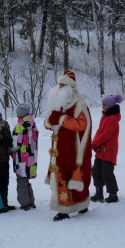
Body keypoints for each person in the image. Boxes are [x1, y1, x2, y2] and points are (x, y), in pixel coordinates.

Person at [44, 70, 92, 221]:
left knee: (68, 175)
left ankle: (66, 209)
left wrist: (62, 119)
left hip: (72, 149)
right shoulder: (57, 103)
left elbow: (82, 125)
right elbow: (49, 123)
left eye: (63, 85)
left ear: (70, 87)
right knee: (60, 174)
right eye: (59, 84)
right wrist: (50, 121)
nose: (60, 87)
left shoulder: (79, 103)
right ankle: (75, 206)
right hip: (58, 148)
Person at [91, 94, 123, 203]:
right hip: (101, 150)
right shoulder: (104, 117)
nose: (103, 107)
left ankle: (113, 194)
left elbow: (106, 134)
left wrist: (96, 142)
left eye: (104, 105)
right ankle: (99, 193)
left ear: (110, 106)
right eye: (102, 105)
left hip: (108, 151)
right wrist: (94, 143)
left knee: (107, 173)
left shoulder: (113, 118)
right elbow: (99, 131)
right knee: (96, 171)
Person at [10, 103, 39, 211]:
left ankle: (24, 203)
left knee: (21, 181)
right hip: (31, 157)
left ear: (19, 114)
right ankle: (31, 202)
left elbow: (15, 145)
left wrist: (8, 148)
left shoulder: (19, 126)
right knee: (26, 180)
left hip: (22, 158)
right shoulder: (33, 124)